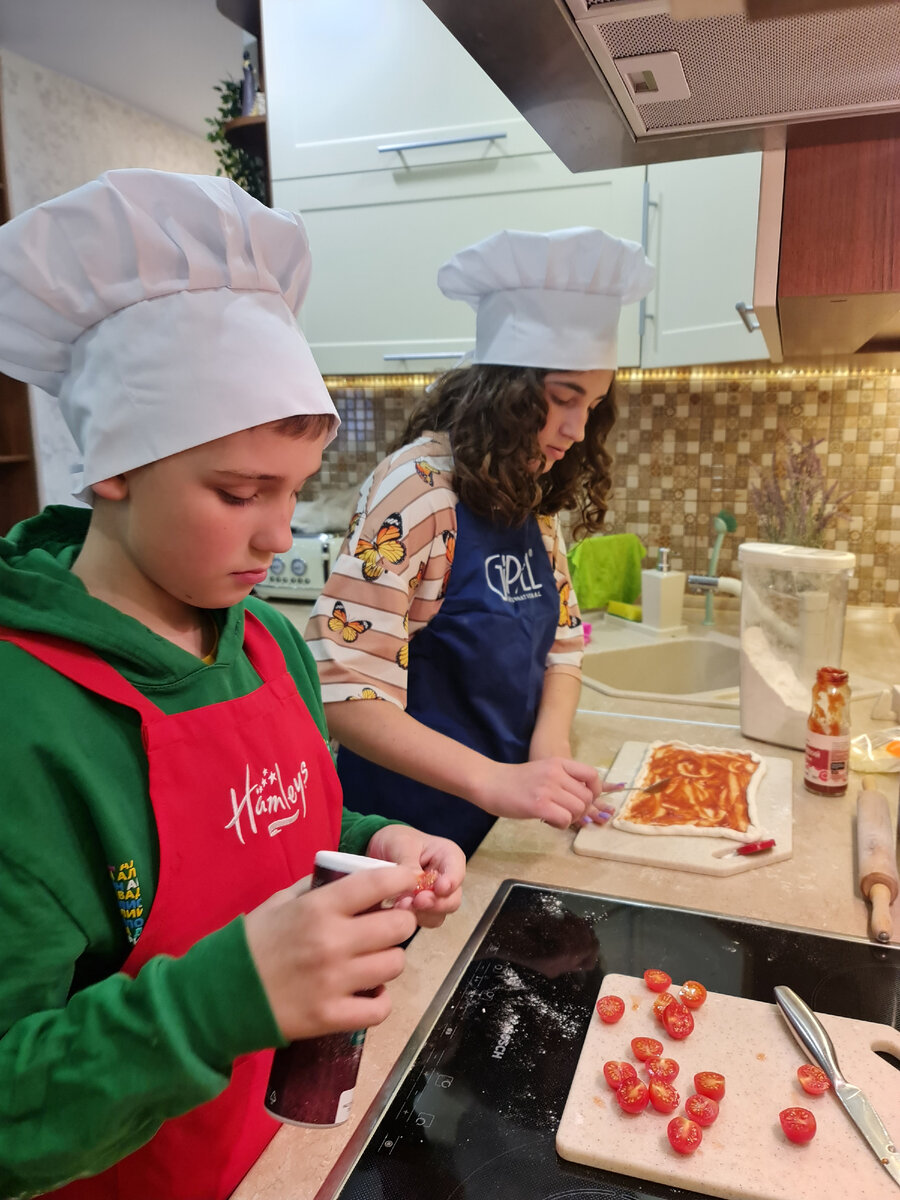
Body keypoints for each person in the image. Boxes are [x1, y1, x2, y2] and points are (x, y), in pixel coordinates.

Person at [0, 170, 466, 1200]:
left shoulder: (263, 642)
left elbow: (280, 820)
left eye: (293, 493)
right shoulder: (22, 721)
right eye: (240, 492)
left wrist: (376, 841)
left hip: (269, 1160)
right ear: (112, 465)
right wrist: (220, 1001)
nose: (277, 535)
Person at [306, 226, 654, 856]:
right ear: (506, 395)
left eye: (593, 405)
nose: (578, 430)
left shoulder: (528, 490)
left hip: (497, 830)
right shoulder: (419, 488)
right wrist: (496, 781)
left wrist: (547, 753)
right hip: (403, 835)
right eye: (563, 399)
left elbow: (564, 645)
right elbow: (342, 690)